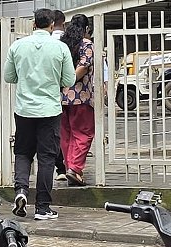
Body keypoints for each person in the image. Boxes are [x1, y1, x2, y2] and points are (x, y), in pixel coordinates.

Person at [3, 8, 75, 221]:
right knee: (47, 157)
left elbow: (9, 76)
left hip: (24, 109)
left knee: (23, 153)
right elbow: (69, 80)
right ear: (52, 25)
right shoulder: (60, 48)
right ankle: (42, 207)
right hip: (50, 110)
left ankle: (21, 192)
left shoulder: (17, 46)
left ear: (34, 24)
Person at [59, 14, 96, 187]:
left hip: (60, 98)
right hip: (81, 97)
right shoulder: (87, 44)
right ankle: (74, 168)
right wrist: (70, 81)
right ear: (87, 28)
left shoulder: (62, 44)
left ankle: (69, 167)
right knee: (84, 133)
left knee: (66, 135)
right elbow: (83, 68)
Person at [51, 10, 68, 181]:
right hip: (71, 93)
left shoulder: (45, 42)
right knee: (72, 132)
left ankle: (60, 168)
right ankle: (72, 166)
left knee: (55, 133)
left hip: (47, 95)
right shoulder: (68, 41)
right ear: (63, 22)